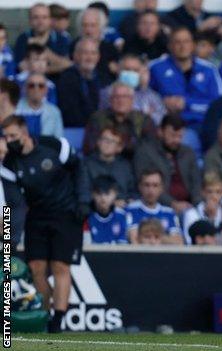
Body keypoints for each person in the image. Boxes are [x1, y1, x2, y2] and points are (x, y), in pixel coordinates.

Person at [1, 115, 89, 333]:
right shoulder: (9, 164)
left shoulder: (55, 145)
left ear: (25, 132)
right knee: (36, 268)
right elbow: (16, 204)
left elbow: (79, 169)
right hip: (36, 215)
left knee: (60, 266)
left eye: (14, 135)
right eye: (6, 136)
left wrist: (84, 200)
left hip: (65, 212)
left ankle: (57, 320)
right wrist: (11, 236)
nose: (10, 140)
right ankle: (45, 313)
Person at [149, 27, 222, 131]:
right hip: (168, 125)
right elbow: (145, 96)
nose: (182, 46)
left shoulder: (208, 69)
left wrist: (187, 103)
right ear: (170, 46)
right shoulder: (155, 68)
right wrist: (163, 103)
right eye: (177, 42)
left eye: (186, 42)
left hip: (203, 124)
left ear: (193, 45)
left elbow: (218, 104)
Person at [133, 114, 201, 213]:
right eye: (172, 135)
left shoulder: (188, 153)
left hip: (189, 207)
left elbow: (196, 183)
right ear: (160, 131)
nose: (176, 140)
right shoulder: (145, 152)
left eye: (180, 136)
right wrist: (172, 203)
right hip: (159, 206)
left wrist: (197, 204)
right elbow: (146, 185)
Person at [83, 82, 157, 157]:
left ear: (132, 100)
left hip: (135, 163)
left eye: (125, 96)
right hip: (105, 163)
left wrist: (116, 147)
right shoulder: (97, 119)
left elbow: (151, 147)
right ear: (110, 100)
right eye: (116, 97)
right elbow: (89, 147)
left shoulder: (144, 120)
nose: (120, 101)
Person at [99, 54, 167, 126]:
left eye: (135, 70)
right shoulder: (108, 92)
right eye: (127, 69)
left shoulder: (151, 95)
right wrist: (144, 116)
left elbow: (160, 119)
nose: (131, 73)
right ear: (118, 70)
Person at [125, 169, 184, 244]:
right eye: (147, 185)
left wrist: (148, 236)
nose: (151, 190)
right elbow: (134, 240)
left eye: (155, 185)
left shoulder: (169, 213)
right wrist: (163, 237)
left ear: (161, 188)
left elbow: (179, 243)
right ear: (140, 187)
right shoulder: (131, 210)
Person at [81, 127, 137, 205]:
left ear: (119, 148)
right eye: (105, 139)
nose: (107, 143)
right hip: (96, 210)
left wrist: (127, 202)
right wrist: (110, 204)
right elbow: (83, 194)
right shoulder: (86, 164)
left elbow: (134, 192)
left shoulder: (125, 166)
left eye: (112, 141)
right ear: (98, 142)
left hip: (124, 209)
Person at [57, 38, 104, 127]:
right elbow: (69, 111)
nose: (89, 58)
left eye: (93, 53)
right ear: (75, 55)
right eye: (85, 53)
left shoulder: (104, 78)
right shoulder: (66, 79)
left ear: (98, 57)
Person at [13, 3, 71, 69]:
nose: (40, 22)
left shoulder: (62, 39)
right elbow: (20, 66)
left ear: (50, 20)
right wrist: (56, 66)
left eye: (44, 17)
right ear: (30, 20)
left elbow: (67, 64)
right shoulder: (23, 39)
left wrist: (42, 47)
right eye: (36, 17)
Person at [71, 8, 120, 84]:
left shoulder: (110, 48)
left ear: (101, 27)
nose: (88, 30)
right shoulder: (73, 46)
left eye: (93, 25)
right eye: (85, 25)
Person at [15, 73, 63, 138]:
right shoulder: (14, 108)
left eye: (41, 86)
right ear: (24, 89)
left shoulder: (54, 111)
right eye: (31, 85)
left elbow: (59, 138)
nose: (36, 89)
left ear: (46, 90)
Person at [182, 172, 222, 242]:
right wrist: (210, 216)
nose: (214, 196)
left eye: (218, 192)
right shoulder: (191, 213)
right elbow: (189, 241)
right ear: (202, 192)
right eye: (210, 192)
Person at [86, 175, 128, 244]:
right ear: (92, 194)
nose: (103, 198)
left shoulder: (122, 216)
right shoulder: (87, 218)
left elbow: (123, 246)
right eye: (99, 193)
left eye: (107, 193)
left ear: (115, 194)